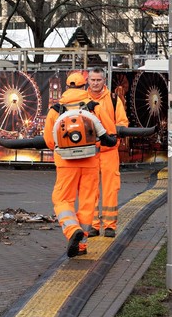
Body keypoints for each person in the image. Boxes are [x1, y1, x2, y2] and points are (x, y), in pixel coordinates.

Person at [43, 72, 117, 258]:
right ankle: (82, 245)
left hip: (66, 163)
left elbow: (49, 142)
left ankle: (72, 230)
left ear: (66, 87)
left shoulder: (56, 110)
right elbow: (109, 136)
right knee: (87, 204)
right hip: (90, 161)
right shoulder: (94, 108)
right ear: (86, 87)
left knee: (61, 200)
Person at [85, 67, 128, 238]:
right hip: (90, 151)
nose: (95, 83)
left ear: (104, 80)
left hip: (109, 150)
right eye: (93, 80)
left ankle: (110, 226)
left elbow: (122, 122)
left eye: (98, 80)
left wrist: (116, 136)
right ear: (88, 80)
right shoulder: (81, 99)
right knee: (90, 190)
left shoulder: (113, 99)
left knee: (111, 189)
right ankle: (93, 226)